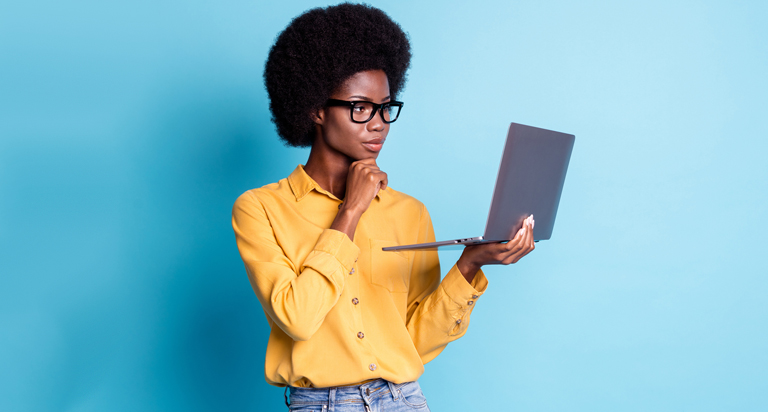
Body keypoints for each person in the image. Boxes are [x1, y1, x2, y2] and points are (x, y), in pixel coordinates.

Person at [232, 3, 535, 411]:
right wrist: (351, 211)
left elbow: (414, 343)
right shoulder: (261, 209)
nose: (378, 123)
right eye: (360, 107)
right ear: (316, 109)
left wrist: (469, 265)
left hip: (404, 400)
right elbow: (298, 318)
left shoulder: (409, 212)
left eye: (386, 107)